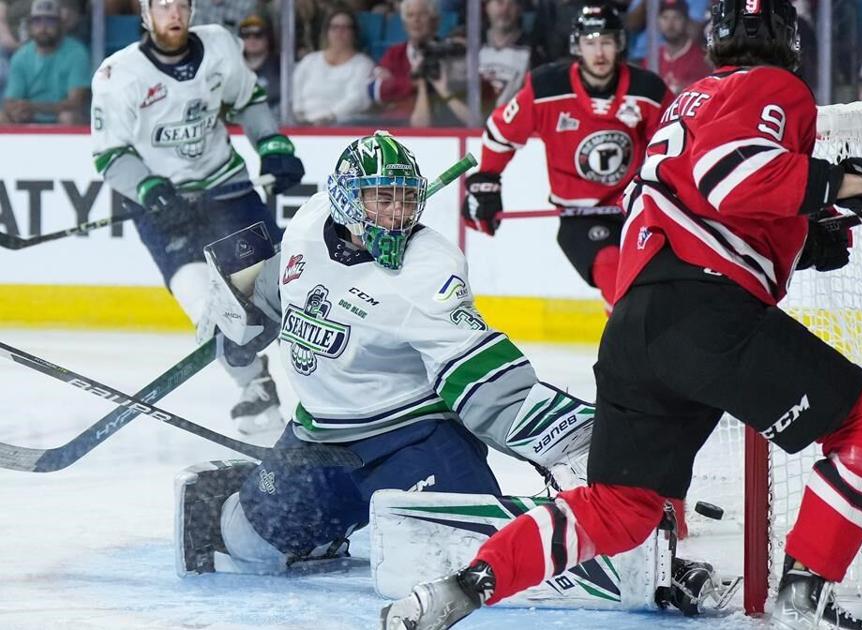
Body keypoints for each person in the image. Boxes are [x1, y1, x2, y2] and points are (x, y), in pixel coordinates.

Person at [384, 0, 862, 628]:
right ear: (791, 39)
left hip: (636, 327)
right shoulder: (773, 84)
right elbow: (732, 177)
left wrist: (814, 228)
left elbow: (711, 198)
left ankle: (461, 588)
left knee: (620, 507)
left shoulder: (686, 98)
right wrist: (859, 184)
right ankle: (801, 604)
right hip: (704, 313)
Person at [175, 130, 602, 579]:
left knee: (472, 557)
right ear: (343, 200)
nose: (398, 215)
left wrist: (568, 442)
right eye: (382, 198)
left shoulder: (429, 268)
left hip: (413, 436)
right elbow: (283, 280)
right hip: (319, 438)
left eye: (405, 199)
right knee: (247, 546)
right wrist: (247, 321)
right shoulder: (309, 221)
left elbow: (484, 381)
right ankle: (292, 516)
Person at [90, 0, 305, 434]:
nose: (173, 13)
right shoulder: (118, 75)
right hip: (164, 204)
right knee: (201, 300)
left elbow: (248, 101)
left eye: (180, 5)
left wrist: (272, 144)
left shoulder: (220, 46)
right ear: (145, 15)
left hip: (227, 187)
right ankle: (254, 383)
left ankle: (329, 379)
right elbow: (110, 156)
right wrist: (150, 190)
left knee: (281, 283)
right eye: (162, 5)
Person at [463, 3, 672, 312]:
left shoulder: (648, 90)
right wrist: (486, 180)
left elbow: (673, 143)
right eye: (590, 42)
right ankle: (631, 351)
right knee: (615, 275)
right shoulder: (547, 87)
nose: (599, 52)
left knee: (661, 285)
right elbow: (501, 131)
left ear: (620, 44)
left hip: (637, 210)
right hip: (580, 217)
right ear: (577, 45)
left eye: (606, 42)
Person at [370, 0, 470, 127]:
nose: (416, 20)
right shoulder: (395, 53)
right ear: (405, 24)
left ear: (435, 21)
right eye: (410, 15)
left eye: (422, 15)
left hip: (438, 124)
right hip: (394, 125)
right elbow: (375, 90)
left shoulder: (448, 52)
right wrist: (412, 82)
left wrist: (395, 85)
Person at [0, 0, 89, 124]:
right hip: (29, 116)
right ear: (30, 26)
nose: (43, 27)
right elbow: (10, 100)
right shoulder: (21, 55)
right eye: (37, 21)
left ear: (61, 25)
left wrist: (35, 107)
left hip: (62, 117)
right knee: (2, 117)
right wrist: (17, 109)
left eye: (50, 21)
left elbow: (76, 102)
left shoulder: (77, 53)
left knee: (67, 117)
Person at [291, 9, 375, 125]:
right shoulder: (309, 60)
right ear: (327, 32)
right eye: (334, 27)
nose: (339, 32)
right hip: (302, 125)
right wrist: (299, 116)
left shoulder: (363, 64)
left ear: (354, 32)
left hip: (340, 127)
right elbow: (295, 92)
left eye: (345, 28)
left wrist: (328, 117)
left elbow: (357, 100)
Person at [479, 0, 540, 108]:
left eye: (512, 4)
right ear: (487, 7)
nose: (505, 10)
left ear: (520, 9)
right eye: (500, 2)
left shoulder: (532, 50)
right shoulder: (472, 46)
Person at [645, 0, 711, 93]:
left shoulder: (701, 57)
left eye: (676, 17)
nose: (670, 24)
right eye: (665, 18)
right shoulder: (652, 58)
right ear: (658, 22)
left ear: (686, 21)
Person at [238, 14, 280, 118]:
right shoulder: (232, 68)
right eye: (246, 35)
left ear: (268, 38)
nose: (252, 39)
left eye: (258, 34)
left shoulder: (280, 67)